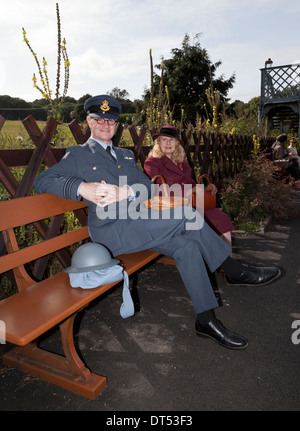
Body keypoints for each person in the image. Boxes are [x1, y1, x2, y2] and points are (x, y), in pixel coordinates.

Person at [34, 94, 281, 350]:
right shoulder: (77, 155)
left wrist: (126, 191)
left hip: (142, 223)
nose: (105, 125)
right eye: (99, 120)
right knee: (186, 215)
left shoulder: (125, 155)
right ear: (89, 121)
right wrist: (81, 187)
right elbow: (41, 181)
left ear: (117, 124)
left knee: (188, 246)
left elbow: (148, 188)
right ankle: (234, 271)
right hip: (112, 232)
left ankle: (206, 321)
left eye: (111, 121)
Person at [143, 125, 234, 247]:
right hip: (168, 208)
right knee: (204, 221)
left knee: (220, 218)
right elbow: (158, 190)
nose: (168, 143)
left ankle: (227, 259)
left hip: (190, 204)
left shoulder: (182, 162)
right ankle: (215, 258)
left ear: (177, 143)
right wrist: (190, 191)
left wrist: (205, 187)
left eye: (172, 140)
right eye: (164, 139)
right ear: (158, 143)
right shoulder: (152, 162)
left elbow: (190, 183)